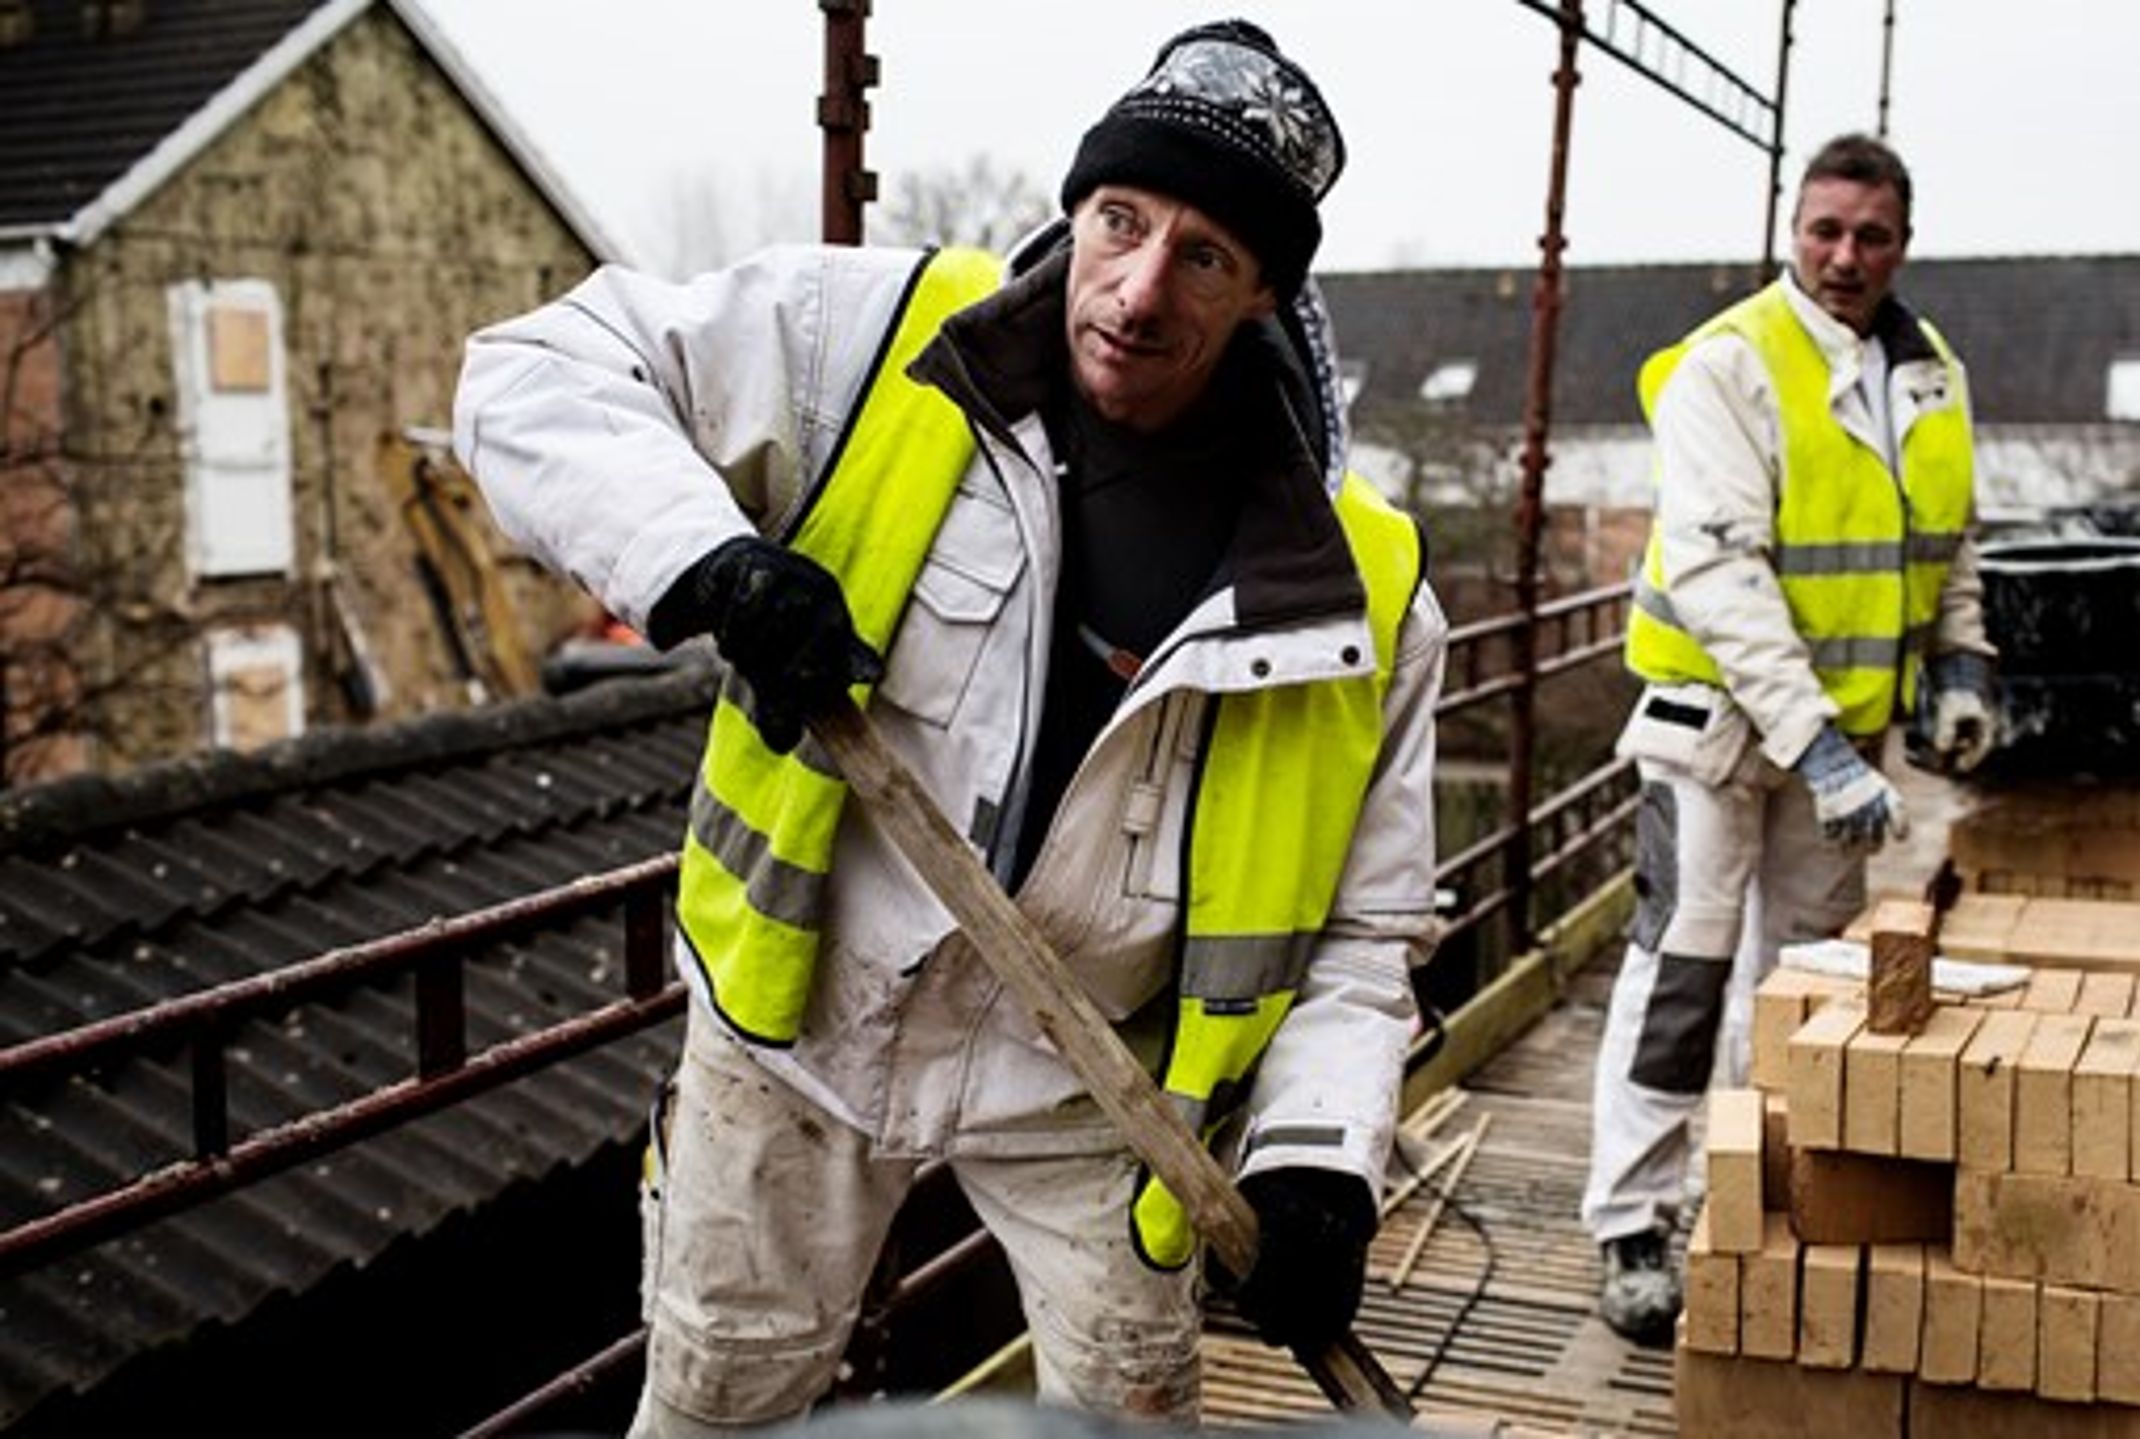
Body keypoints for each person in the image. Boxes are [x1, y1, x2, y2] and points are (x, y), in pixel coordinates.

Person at [453, 21, 1446, 1433]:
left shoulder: (1364, 590)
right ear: (1076, 210)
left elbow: (1360, 928)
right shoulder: (863, 350)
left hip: (1094, 1092)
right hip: (802, 1033)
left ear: (1265, 296)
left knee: (1134, 1411)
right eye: (1121, 221)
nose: (1142, 288)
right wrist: (706, 560)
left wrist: (1317, 1160)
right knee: (716, 1402)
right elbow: (531, 373)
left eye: (1205, 257)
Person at [1580, 133, 1995, 1345]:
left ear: (1902, 242)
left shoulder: (1927, 371)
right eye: (1823, 229)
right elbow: (1717, 569)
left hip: (1847, 732)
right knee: (1684, 969)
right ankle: (1631, 1218)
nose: (1845, 255)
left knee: (1808, 974)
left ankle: (1769, 1174)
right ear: (1791, 228)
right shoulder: (1730, 365)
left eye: (1870, 234)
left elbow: (1950, 539)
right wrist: (1815, 743)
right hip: (1715, 731)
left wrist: (1962, 660)